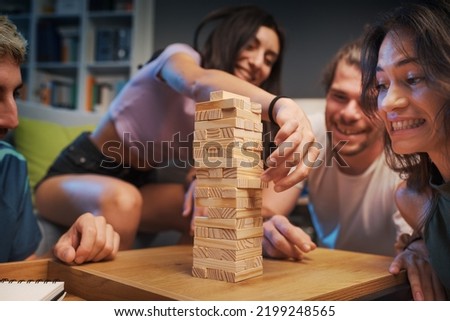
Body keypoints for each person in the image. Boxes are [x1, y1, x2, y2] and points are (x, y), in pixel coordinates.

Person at [34, 5, 318, 250]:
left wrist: (199, 182)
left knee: (211, 208)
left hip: (142, 181)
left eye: (269, 59)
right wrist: (281, 105)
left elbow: (203, 167)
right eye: (251, 45)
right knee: (123, 200)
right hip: (81, 169)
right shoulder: (180, 59)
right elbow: (198, 82)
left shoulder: (227, 113)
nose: (258, 63)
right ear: (229, 38)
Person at [262, 38, 412, 259]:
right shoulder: (313, 133)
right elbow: (267, 209)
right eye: (339, 97)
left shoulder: (407, 155)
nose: (349, 114)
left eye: (367, 102)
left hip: (391, 282)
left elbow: (412, 248)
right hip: (329, 273)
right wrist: (268, 228)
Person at [0, 15, 120, 264]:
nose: (13, 121)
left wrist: (67, 252)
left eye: (16, 94)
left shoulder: (10, 165)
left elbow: (20, 271)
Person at [360, 0, 449, 300]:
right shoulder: (414, 200)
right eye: (382, 85)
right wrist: (419, 243)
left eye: (412, 78)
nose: (386, 104)